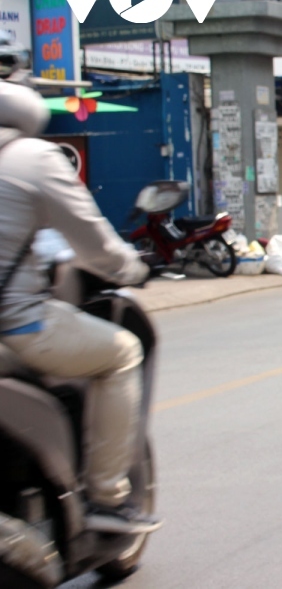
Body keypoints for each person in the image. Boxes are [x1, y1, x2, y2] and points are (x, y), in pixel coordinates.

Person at [0, 80, 159, 533]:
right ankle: (106, 497)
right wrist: (132, 269)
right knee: (122, 352)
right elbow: (93, 243)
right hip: (17, 325)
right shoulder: (33, 158)